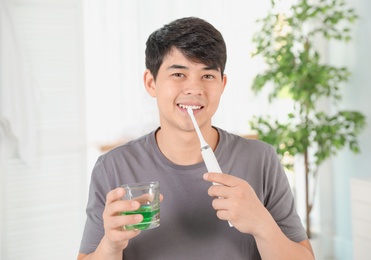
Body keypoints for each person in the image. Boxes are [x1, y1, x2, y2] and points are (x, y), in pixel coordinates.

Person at [77, 17, 314, 260]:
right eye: (179, 73)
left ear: (222, 84)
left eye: (208, 76)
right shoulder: (113, 168)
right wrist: (111, 246)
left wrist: (263, 225)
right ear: (151, 83)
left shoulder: (261, 159)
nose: (194, 89)